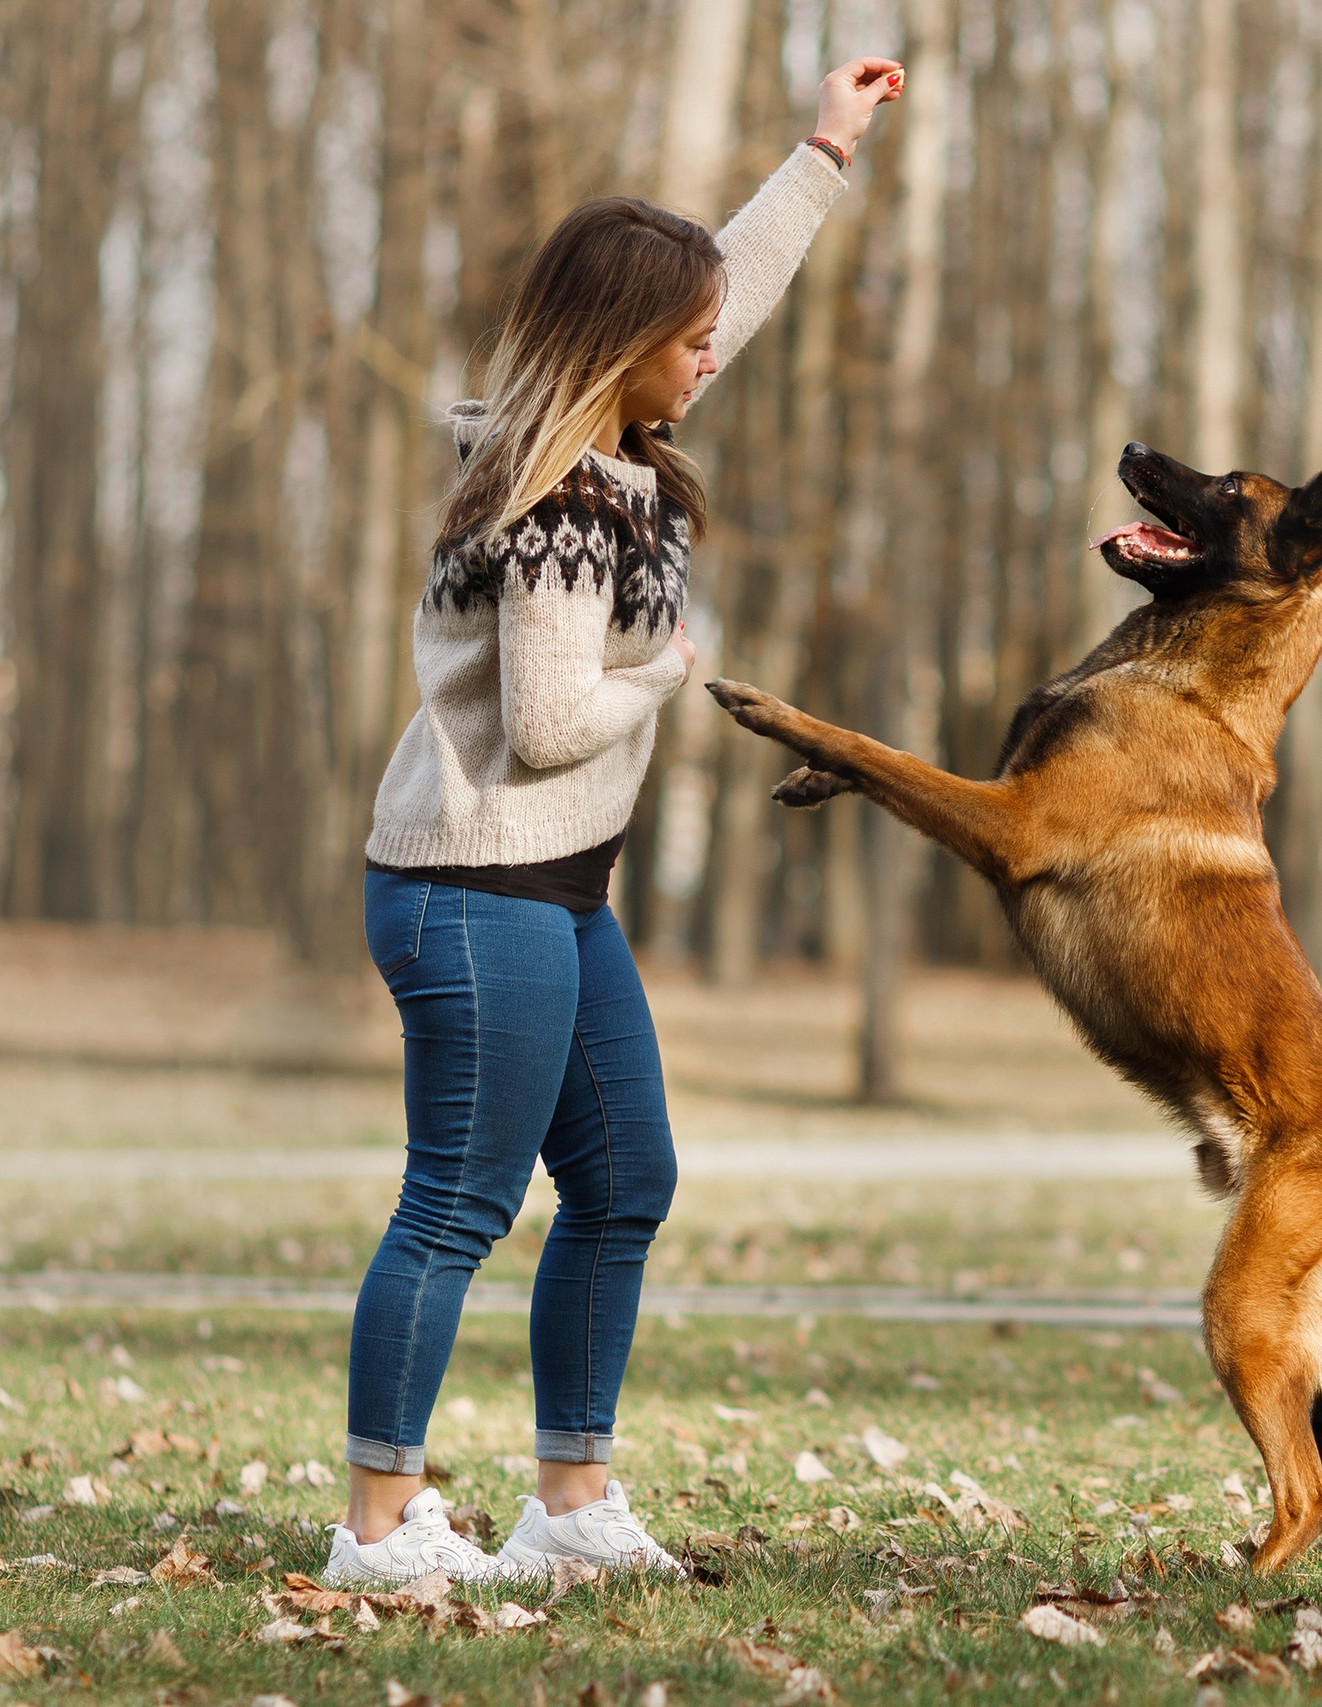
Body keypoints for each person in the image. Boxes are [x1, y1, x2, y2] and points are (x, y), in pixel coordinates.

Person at [322, 58, 904, 1589]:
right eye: (688, 341)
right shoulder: (558, 505)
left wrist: (824, 154)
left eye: (713, 334)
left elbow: (736, 292)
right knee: (458, 1200)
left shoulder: (610, 455)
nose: (713, 357)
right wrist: (670, 673)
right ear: (618, 345)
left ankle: (568, 1506)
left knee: (626, 1177)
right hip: (473, 886)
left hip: (555, 894)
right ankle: (376, 1529)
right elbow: (551, 720)